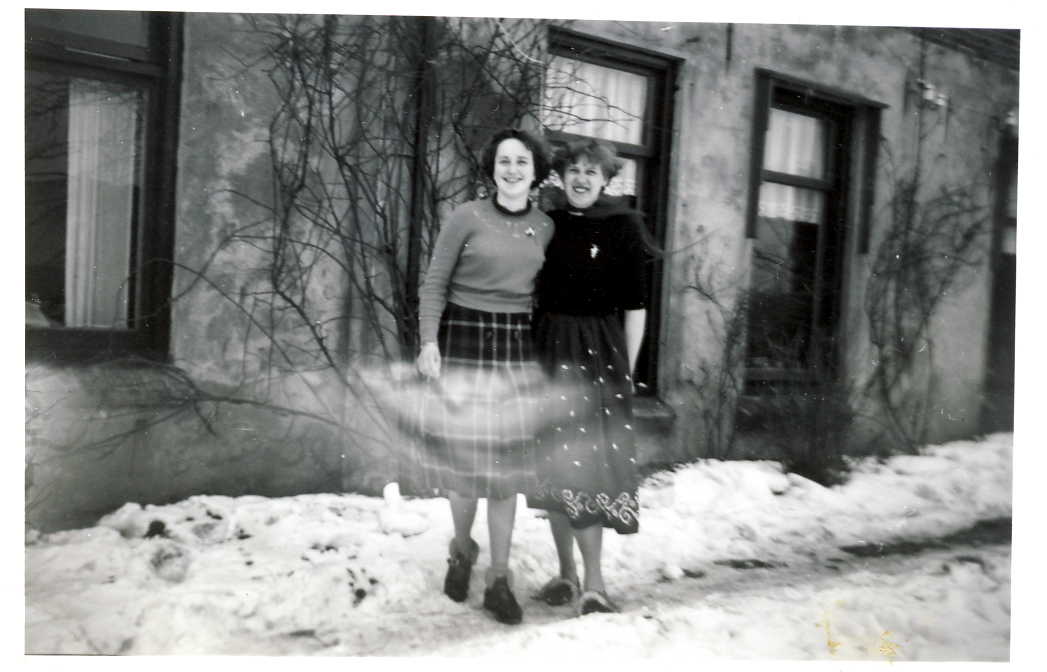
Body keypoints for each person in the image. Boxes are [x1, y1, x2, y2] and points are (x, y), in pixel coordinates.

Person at [408, 128, 554, 625]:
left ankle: (499, 578)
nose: (512, 170)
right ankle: (461, 549)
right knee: (465, 467)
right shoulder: (465, 217)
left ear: (536, 172)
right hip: (464, 340)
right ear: (492, 169)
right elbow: (435, 283)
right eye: (504, 161)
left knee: (505, 473)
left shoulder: (545, 227)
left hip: (515, 347)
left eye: (522, 161)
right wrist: (429, 342)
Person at [528, 138, 652, 616]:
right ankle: (566, 574)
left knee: (585, 466)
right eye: (574, 170)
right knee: (553, 465)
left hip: (596, 353)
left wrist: (628, 371)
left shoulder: (623, 226)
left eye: (591, 171)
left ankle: (595, 584)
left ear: (606, 179)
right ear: (561, 176)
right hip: (548, 349)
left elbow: (636, 308)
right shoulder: (548, 223)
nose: (581, 178)